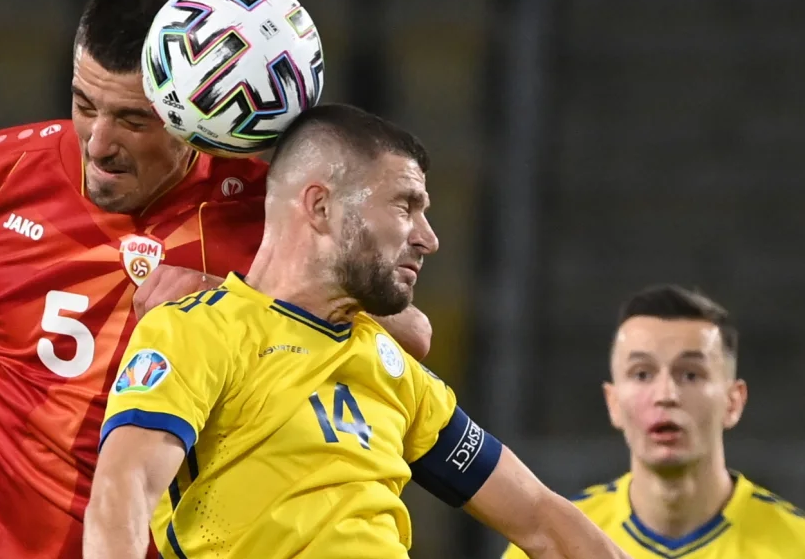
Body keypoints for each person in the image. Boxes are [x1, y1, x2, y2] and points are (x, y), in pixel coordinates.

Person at [0, 0, 432, 559]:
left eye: (133, 120)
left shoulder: (269, 218)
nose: (97, 143)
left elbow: (409, 338)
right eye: (84, 104)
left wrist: (232, 300)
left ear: (195, 118)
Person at [83, 104, 630, 559]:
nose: (429, 238)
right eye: (406, 206)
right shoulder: (201, 332)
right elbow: (122, 495)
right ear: (320, 207)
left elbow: (538, 516)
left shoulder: (393, 371)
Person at [503, 285, 805, 559]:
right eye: (642, 374)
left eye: (690, 374)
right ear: (613, 402)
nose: (666, 394)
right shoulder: (549, 541)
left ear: (734, 401)